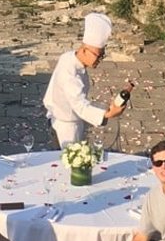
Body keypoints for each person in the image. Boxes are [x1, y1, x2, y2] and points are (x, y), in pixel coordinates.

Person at [43, 12, 130, 148]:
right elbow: (80, 105)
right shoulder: (70, 75)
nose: (99, 60)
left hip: (70, 121)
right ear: (84, 50)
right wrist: (108, 114)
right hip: (66, 128)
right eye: (97, 55)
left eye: (102, 56)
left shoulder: (68, 57)